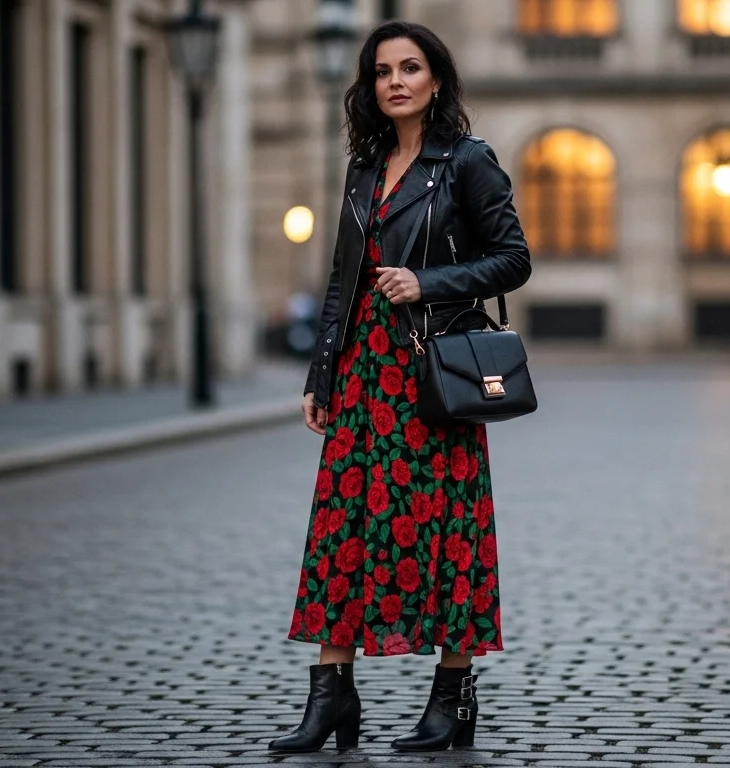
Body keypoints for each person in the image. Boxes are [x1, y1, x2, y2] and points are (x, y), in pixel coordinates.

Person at [270, 20, 531, 754]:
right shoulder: (365, 167)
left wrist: (428, 281)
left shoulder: (468, 161)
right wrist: (321, 372)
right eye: (382, 71)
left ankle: (453, 699)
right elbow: (341, 279)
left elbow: (514, 259)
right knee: (341, 530)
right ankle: (332, 697)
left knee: (448, 531)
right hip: (362, 375)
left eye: (410, 68)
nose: (396, 82)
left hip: (431, 375)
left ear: (436, 79)